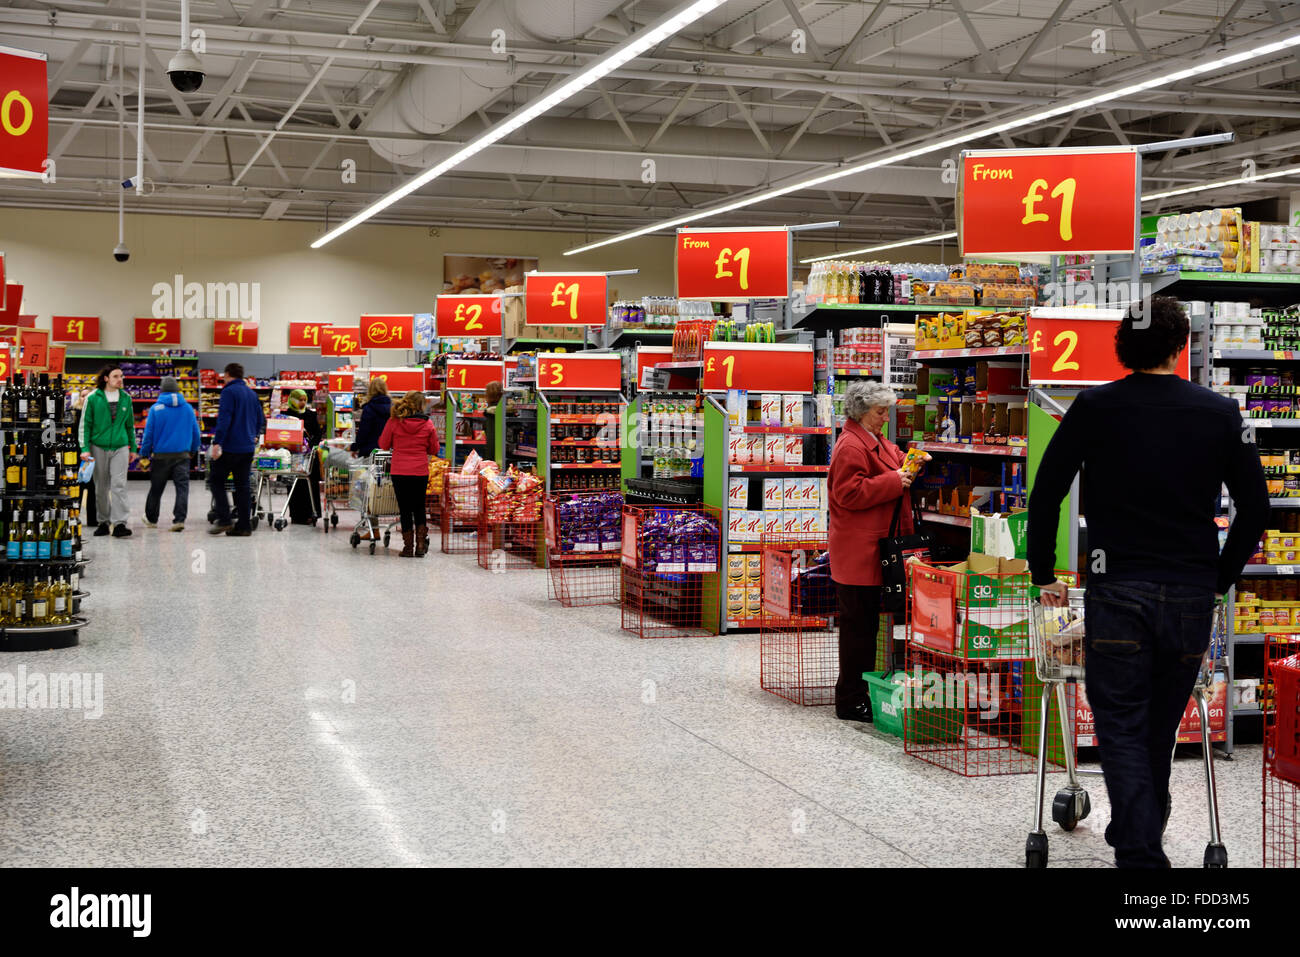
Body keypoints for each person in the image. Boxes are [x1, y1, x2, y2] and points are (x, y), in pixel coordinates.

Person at [1028, 296, 1268, 868]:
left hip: (1117, 589)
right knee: (1158, 725)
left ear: (1122, 347)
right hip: (1188, 593)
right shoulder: (1220, 413)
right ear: (1181, 346)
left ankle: (1140, 854)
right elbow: (1255, 512)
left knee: (1122, 726)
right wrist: (1218, 579)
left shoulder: (1093, 407)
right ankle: (1139, 834)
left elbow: (1047, 494)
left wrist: (1043, 573)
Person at [827, 381, 921, 723]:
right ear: (863, 412)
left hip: (877, 547)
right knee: (858, 630)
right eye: (881, 412)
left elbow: (897, 462)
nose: (886, 417)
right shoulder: (851, 446)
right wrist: (895, 481)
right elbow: (848, 494)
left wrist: (913, 461)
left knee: (866, 628)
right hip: (859, 551)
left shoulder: (874, 439)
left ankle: (864, 692)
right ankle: (850, 700)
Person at [78, 364, 137, 538]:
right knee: (101, 487)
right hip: (98, 447)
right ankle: (103, 521)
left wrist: (133, 447)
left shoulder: (126, 398)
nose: (120, 380)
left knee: (119, 485)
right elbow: (85, 424)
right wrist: (85, 448)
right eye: (116, 376)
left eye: (121, 376)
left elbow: (130, 426)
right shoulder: (93, 398)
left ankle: (120, 524)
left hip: (120, 447)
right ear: (106, 379)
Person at [377, 390, 438, 557]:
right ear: (421, 406)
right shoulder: (428, 424)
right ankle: (420, 546)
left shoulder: (394, 421)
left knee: (405, 509)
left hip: (399, 471)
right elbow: (434, 449)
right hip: (420, 471)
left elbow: (383, 444)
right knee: (419, 507)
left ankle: (408, 548)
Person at [208, 363, 266, 537]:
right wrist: (254, 435)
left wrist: (217, 442)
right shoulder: (251, 393)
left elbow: (224, 418)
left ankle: (225, 519)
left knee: (216, 481)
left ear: (227, 374)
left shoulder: (228, 392)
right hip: (247, 448)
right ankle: (244, 526)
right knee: (243, 487)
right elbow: (260, 419)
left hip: (231, 447)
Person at [139, 376, 201, 531]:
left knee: (156, 489)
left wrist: (144, 454)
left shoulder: (155, 409)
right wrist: (193, 450)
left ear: (162, 390)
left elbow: (149, 434)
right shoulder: (188, 408)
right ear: (177, 390)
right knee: (182, 488)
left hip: (161, 457)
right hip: (182, 456)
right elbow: (196, 433)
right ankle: (179, 520)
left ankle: (152, 519)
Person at [281, 389, 323, 525]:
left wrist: (310, 445)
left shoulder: (311, 415)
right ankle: (296, 515)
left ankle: (311, 513)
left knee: (309, 485)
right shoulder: (286, 415)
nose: (303, 402)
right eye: (300, 399)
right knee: (294, 485)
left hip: (309, 456)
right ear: (293, 400)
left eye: (305, 399)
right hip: (293, 456)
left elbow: (317, 434)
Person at [72, 389, 97, 528]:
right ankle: (74, 517)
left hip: (92, 455)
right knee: (77, 488)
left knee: (93, 488)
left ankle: (93, 520)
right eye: (83, 396)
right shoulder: (74, 414)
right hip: (76, 456)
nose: (85, 398)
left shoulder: (96, 415)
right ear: (79, 398)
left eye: (88, 396)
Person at [351, 377, 390, 458]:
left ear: (370, 390)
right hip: (387, 451)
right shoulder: (393, 408)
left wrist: (355, 447)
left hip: (369, 451)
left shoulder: (369, 408)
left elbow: (364, 431)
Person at [483, 380, 503, 463]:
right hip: (504, 453)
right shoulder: (504, 411)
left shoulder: (490, 413)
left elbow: (491, 437)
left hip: (492, 454)